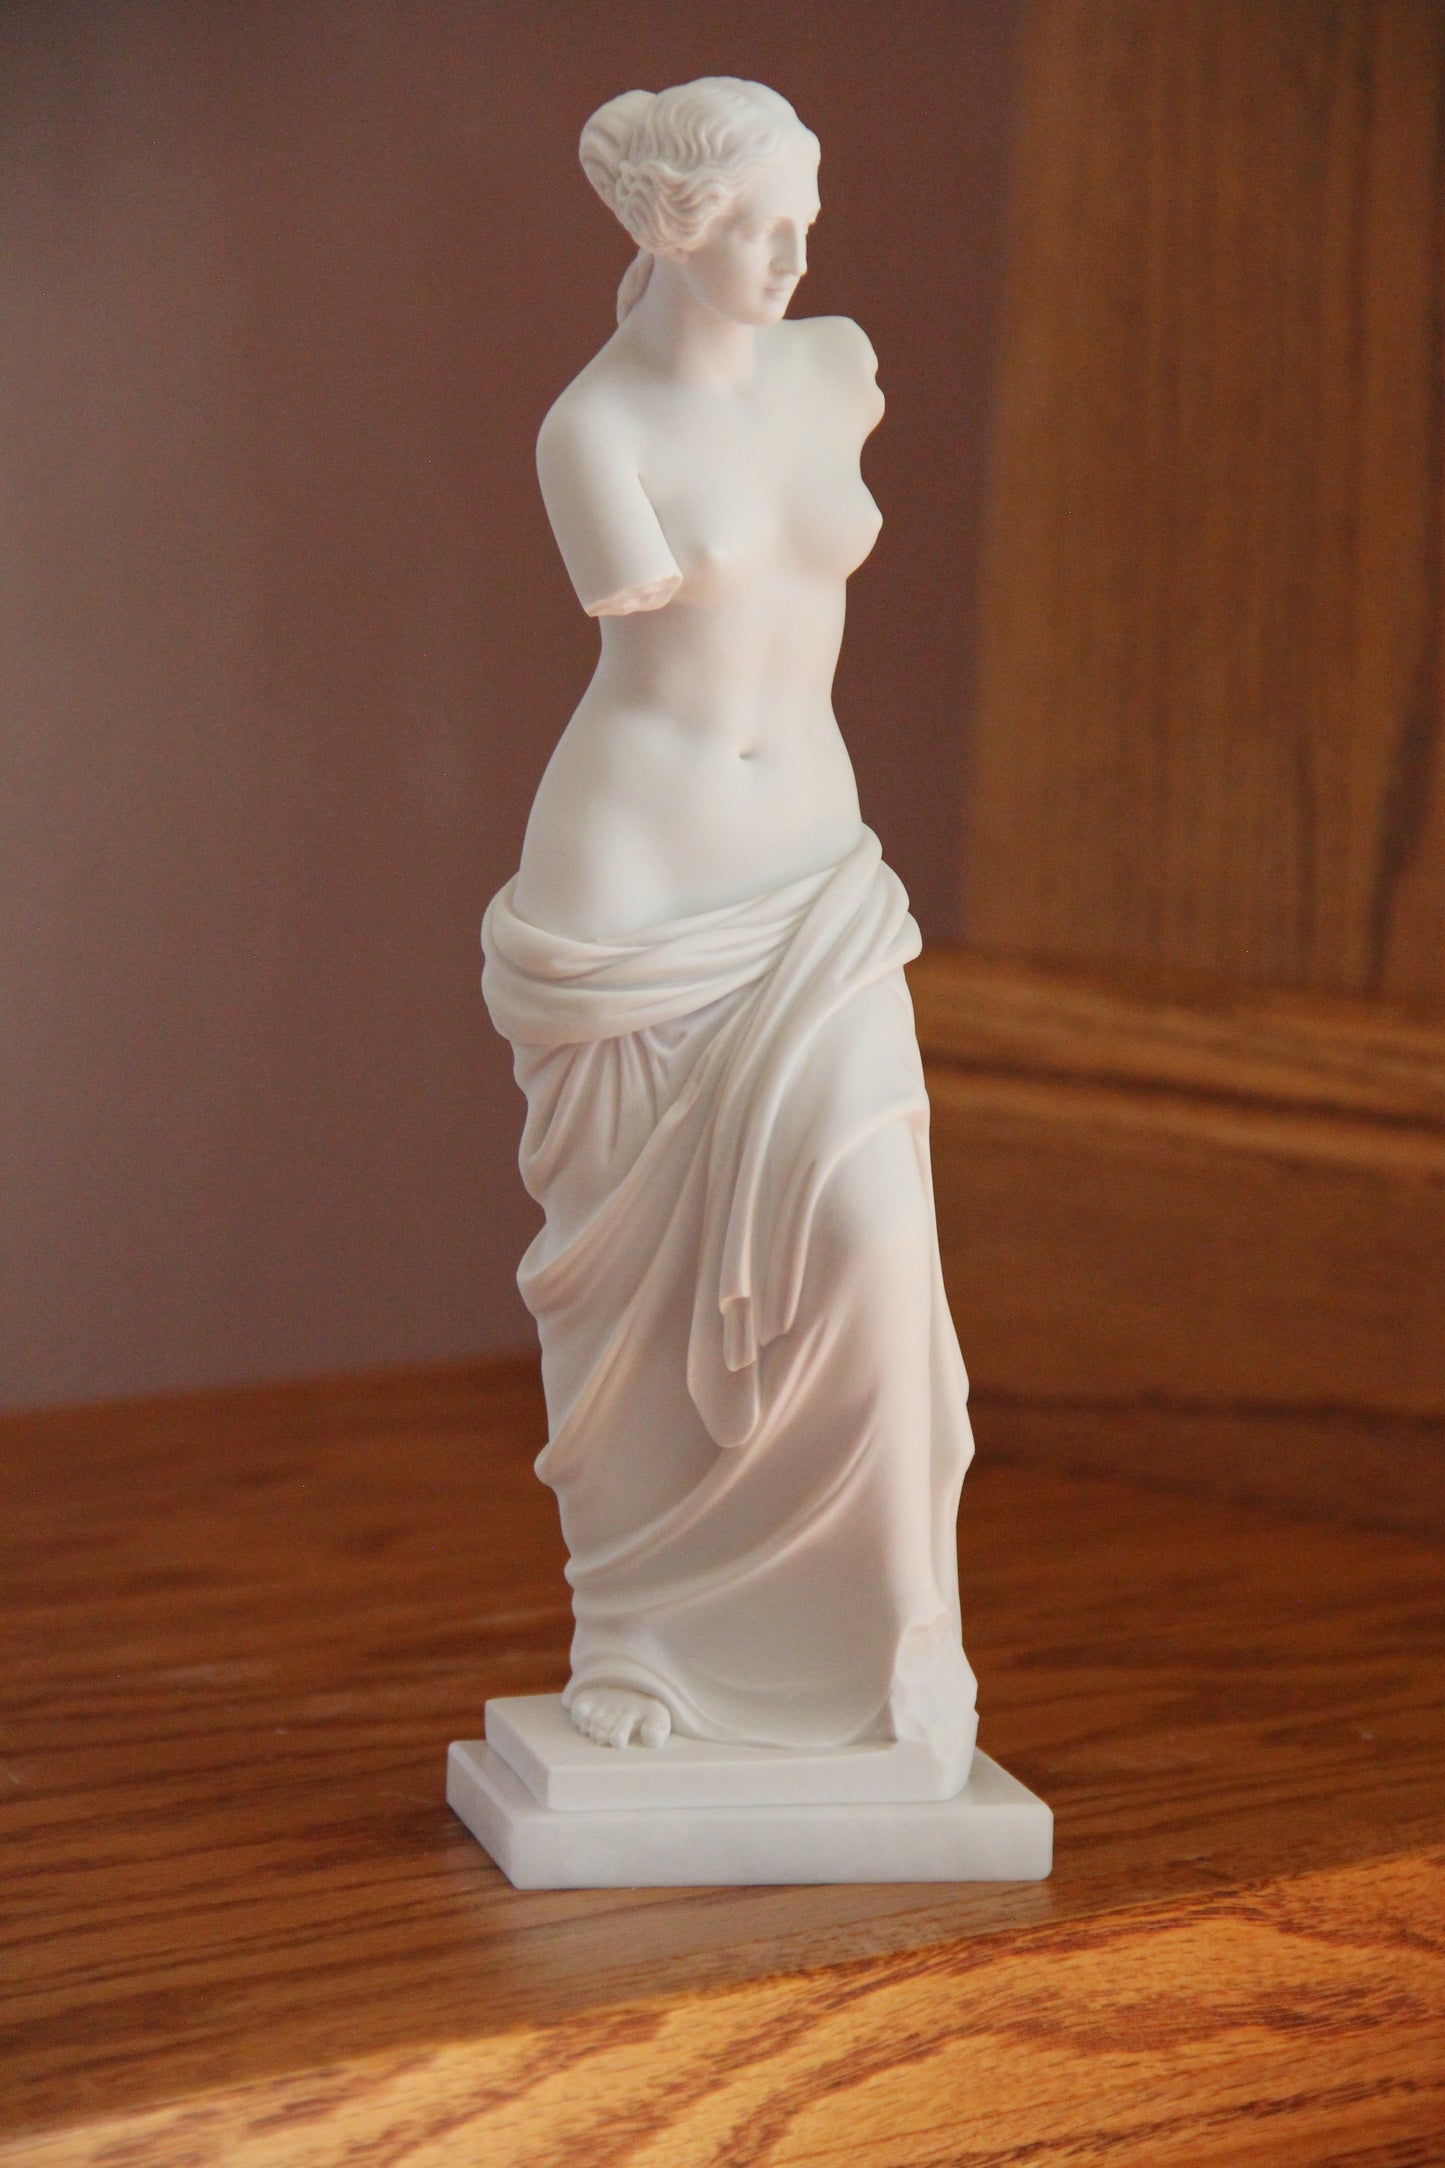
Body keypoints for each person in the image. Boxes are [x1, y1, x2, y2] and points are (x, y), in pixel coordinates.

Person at [482, 77, 977, 1771]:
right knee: (639, 1309)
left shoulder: (832, 365)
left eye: (802, 223)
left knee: (874, 1242)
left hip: (812, 876)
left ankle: (887, 1638)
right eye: (756, 226)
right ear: (669, 227)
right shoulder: (593, 434)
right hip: (635, 889)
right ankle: (639, 1637)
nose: (790, 256)